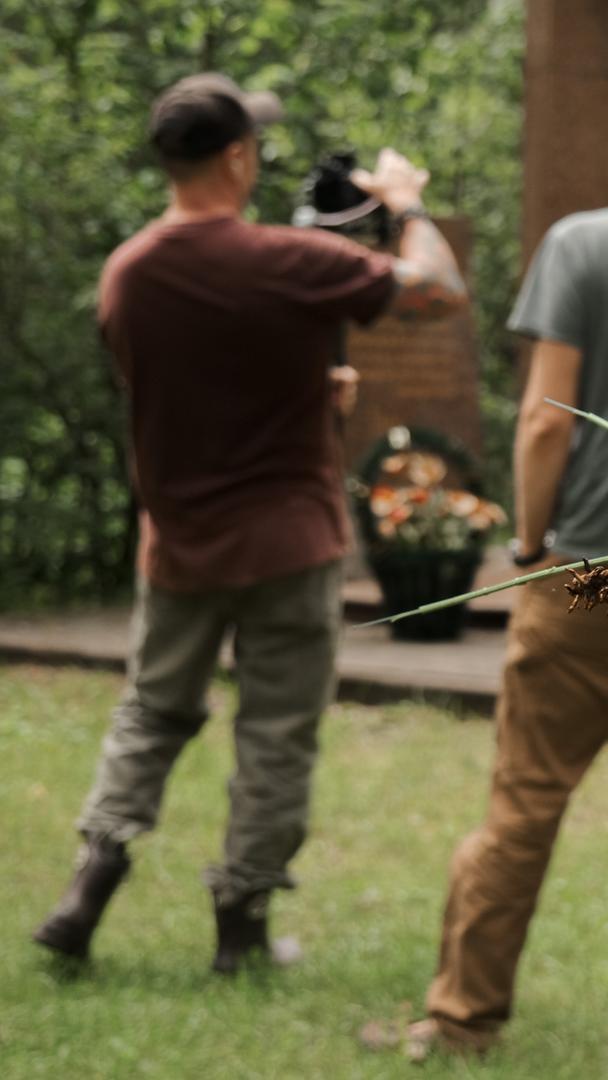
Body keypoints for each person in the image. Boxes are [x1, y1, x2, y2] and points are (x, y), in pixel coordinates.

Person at [30, 73, 469, 972]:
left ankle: (91, 880)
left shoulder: (128, 273)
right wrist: (407, 204)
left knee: (152, 711)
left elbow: (167, 391)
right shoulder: (287, 261)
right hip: (289, 541)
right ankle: (242, 931)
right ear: (236, 156)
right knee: (274, 733)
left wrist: (308, 391)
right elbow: (437, 290)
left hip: (180, 542)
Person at [369, 101, 608, 1061]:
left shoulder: (583, 243)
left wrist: (531, 543)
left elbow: (547, 419)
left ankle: (461, 1020)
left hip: (588, 567)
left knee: (525, 801)